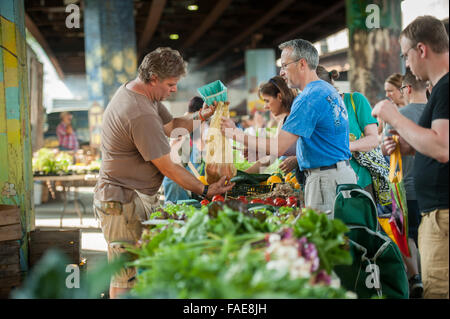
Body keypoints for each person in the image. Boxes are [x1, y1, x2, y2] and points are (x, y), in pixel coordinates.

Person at [93, 47, 234, 299]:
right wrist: (204, 189)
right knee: (126, 276)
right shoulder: (140, 113)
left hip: (130, 196)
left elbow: (172, 127)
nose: (175, 90)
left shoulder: (142, 95)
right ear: (153, 78)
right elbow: (168, 166)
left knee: (131, 270)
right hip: (122, 201)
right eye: (171, 84)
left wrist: (202, 115)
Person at [222, 39, 356, 217]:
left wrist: (236, 134)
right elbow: (313, 141)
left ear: (302, 64)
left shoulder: (308, 97)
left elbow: (280, 146)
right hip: (341, 175)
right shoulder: (327, 89)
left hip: (325, 180)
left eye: (284, 65)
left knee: (324, 238)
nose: (281, 72)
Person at [372, 15, 449, 299]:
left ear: (422, 50)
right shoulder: (440, 89)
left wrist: (394, 116)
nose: (406, 63)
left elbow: (442, 148)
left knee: (438, 291)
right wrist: (411, 147)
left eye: (406, 55)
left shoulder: (445, 88)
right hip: (438, 212)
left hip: (443, 216)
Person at [381, 67, 427, 298]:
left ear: (406, 89)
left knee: (407, 234)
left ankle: (416, 277)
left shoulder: (397, 118)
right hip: (434, 191)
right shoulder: (436, 112)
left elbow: (383, 152)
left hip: (404, 189)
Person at [316, 65, 379, 200]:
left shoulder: (355, 101)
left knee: (361, 220)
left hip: (360, 183)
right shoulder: (313, 109)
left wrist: (344, 147)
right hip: (327, 184)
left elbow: (373, 139)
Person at [244, 76, 297, 174]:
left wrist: (297, 159)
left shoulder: (299, 116)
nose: (265, 106)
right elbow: (272, 155)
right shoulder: (284, 121)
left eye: (267, 101)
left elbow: (320, 146)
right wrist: (243, 175)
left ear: (279, 97)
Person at [162, 96, 205, 204]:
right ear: (200, 110)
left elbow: (199, 146)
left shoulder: (189, 123)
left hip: (180, 178)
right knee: (174, 214)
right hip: (175, 179)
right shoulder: (186, 124)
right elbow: (171, 148)